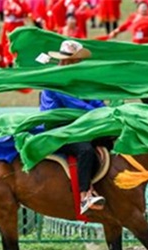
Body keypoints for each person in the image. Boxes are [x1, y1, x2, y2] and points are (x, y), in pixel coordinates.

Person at [35, 40, 107, 215]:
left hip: (76, 127)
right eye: (75, 60)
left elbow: (93, 100)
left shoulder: (77, 80)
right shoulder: (56, 82)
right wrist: (103, 114)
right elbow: (78, 106)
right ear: (66, 61)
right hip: (57, 131)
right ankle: (85, 196)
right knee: (86, 151)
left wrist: (109, 111)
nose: (78, 64)